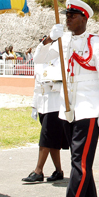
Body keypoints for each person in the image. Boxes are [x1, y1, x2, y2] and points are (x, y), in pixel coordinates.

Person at [34, 0, 99, 197]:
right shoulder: (62, 40)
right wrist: (50, 38)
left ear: (84, 18)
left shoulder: (98, 43)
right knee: (81, 165)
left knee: (79, 165)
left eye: (72, 16)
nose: (67, 19)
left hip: (89, 109)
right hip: (67, 109)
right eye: (66, 15)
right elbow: (38, 59)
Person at [22, 39, 69, 183]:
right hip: (43, 102)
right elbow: (37, 84)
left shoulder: (61, 59)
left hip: (55, 103)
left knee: (46, 137)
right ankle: (58, 171)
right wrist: (34, 105)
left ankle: (38, 171)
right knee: (53, 140)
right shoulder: (40, 62)